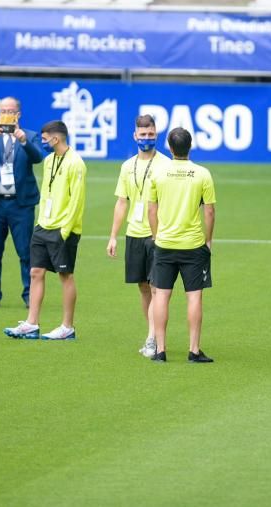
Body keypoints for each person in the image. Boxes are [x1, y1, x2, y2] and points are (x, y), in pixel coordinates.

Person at [4, 120, 87, 340]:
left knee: (65, 275)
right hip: (43, 226)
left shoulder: (76, 163)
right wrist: (41, 222)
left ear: (56, 138)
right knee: (35, 272)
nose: (42, 142)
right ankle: (32, 323)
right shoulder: (49, 160)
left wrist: (64, 231)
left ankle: (67, 327)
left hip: (63, 230)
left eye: (44, 139)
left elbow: (77, 201)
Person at [147, 127, 216, 363]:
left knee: (161, 296)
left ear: (169, 146)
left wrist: (156, 236)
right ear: (191, 145)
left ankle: (160, 350)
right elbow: (209, 210)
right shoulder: (202, 174)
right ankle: (194, 350)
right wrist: (208, 239)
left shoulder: (158, 173)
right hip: (193, 244)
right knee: (194, 297)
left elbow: (151, 209)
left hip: (165, 243)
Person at [107, 115, 172, 358]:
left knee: (157, 288)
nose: (147, 139)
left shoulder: (166, 165)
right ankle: (151, 333)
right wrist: (113, 235)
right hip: (133, 233)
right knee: (143, 288)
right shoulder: (127, 166)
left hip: (157, 234)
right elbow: (122, 202)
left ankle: (153, 338)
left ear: (157, 135)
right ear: (135, 136)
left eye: (151, 134)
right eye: (143, 135)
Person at [0, 97, 43, 308]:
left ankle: (29, 294)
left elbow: (38, 157)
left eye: (10, 110)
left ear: (18, 114)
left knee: (25, 251)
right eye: (3, 110)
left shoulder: (29, 136)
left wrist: (23, 141)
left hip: (21, 204)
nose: (6, 114)